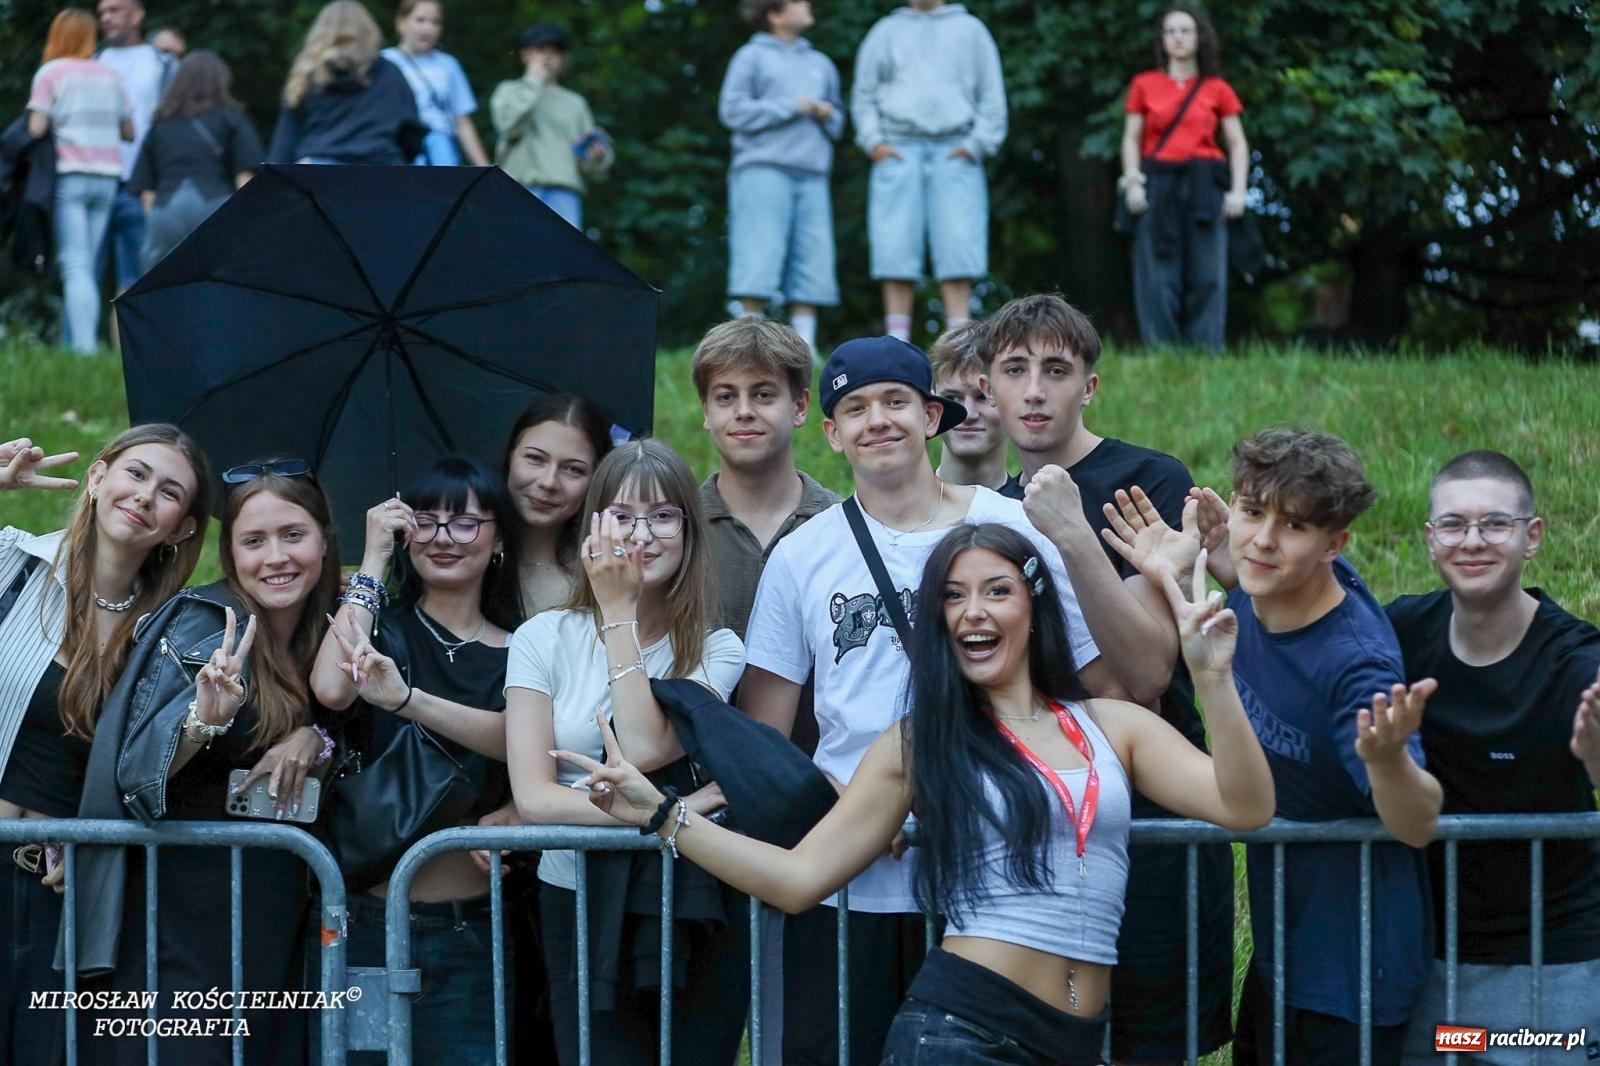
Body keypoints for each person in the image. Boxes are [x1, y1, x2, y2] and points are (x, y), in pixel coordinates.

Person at [559, 524, 1275, 1066]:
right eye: (953, 597)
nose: (973, 612)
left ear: (1034, 606)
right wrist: (663, 815)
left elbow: (1245, 807)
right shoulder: (920, 742)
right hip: (965, 1032)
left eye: (997, 591)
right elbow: (799, 878)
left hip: (1078, 1039)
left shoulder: (1112, 726)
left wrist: (1213, 678)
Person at [738, 335, 1152, 1064]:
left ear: (931, 415)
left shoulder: (1013, 525)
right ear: (831, 432)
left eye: (895, 402)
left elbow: (1090, 683)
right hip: (855, 885)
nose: (877, 421)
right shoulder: (801, 556)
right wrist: (846, 805)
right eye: (855, 409)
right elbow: (764, 736)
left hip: (998, 894)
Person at [1108, 426, 1442, 1065]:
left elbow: (1418, 822)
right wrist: (1191, 567)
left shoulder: (1356, 668)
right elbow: (1250, 569)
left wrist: (1387, 761)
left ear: (1333, 545)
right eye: (1253, 511)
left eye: (1293, 526)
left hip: (1355, 981)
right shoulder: (1265, 592)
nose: (1263, 539)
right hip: (1283, 956)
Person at [983, 292, 1236, 1060]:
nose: (1034, 391)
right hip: (1036, 820)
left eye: (1056, 371)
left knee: (1149, 1044)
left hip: (1153, 820)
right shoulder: (986, 510)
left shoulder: (1146, 480)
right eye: (1015, 370)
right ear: (988, 386)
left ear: (1088, 386)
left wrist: (1071, 535)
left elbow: (1147, 671)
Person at [74, 460, 342, 1065]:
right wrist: (204, 719)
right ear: (231, 554)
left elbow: (354, 732)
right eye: (254, 541)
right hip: (182, 918)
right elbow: (136, 772)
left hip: (278, 915)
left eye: (293, 535)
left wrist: (315, 738)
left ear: (325, 541)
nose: (275, 557)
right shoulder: (203, 623)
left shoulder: (327, 632)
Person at [504, 439, 747, 1065]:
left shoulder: (717, 647)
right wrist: (672, 810)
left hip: (691, 895)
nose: (642, 535)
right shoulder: (541, 638)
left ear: (689, 531)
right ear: (594, 528)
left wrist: (618, 614)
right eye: (623, 516)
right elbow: (535, 799)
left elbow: (642, 745)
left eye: (663, 516)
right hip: (577, 894)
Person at [0, 427, 209, 1066]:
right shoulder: (12, 561)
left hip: (54, 894)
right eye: (136, 474)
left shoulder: (169, 635)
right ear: (97, 478)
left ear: (181, 529)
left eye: (169, 492)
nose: (145, 495)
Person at [1385, 451, 1600, 1064]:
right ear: (1431, 538)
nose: (1473, 541)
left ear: (1532, 536)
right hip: (1430, 961)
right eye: (1453, 524)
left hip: (1552, 966)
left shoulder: (1575, 658)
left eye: (1495, 524)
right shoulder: (1402, 629)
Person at [311, 456, 522, 1065]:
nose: (443, 538)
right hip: (363, 919)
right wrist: (373, 558)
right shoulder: (382, 628)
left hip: (471, 927)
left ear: (499, 538)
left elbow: (526, 742)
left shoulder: (525, 646)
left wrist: (407, 701)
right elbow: (331, 688)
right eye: (425, 522)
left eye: (465, 523)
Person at [851, 0, 1006, 342]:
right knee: (894, 246)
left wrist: (976, 144)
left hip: (956, 148)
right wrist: (874, 142)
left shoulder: (971, 31)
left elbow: (992, 95)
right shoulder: (885, 32)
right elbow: (863, 94)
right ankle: (897, 342)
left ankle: (959, 341)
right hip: (898, 149)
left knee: (958, 245)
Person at [691, 317, 839, 641]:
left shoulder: (843, 527)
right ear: (706, 411)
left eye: (763, 395)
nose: (743, 411)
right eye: (725, 397)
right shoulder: (676, 527)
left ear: (800, 407)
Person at [1118, 4, 1249, 351]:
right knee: (1157, 274)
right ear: (1162, 39)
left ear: (1200, 37)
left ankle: (1206, 352)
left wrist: (1238, 191)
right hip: (1159, 183)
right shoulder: (1144, 84)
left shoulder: (1217, 88)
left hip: (1205, 184)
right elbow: (1131, 138)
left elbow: (1237, 143)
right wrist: (1133, 180)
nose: (1177, 38)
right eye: (1170, 31)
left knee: (1209, 273)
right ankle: (1162, 352)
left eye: (1185, 30)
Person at [718, 0, 843, 355]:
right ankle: (745, 344)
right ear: (774, 14)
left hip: (813, 173)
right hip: (763, 169)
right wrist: (791, 106)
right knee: (759, 253)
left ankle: (805, 346)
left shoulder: (821, 62)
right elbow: (731, 111)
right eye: (797, 2)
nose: (807, 5)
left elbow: (838, 122)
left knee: (813, 257)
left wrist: (826, 114)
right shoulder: (750, 57)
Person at [26, 9, 132, 354]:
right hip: (108, 178)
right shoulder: (111, 75)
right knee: (89, 262)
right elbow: (129, 131)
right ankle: (77, 343)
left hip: (71, 175)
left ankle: (84, 349)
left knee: (75, 264)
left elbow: (35, 129)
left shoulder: (51, 72)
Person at [131, 50, 261, 273]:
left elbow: (147, 192)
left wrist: (156, 224)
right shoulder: (232, 119)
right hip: (215, 206)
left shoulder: (160, 124)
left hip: (166, 209)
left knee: (161, 280)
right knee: (220, 275)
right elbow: (244, 177)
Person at [267, 0, 422, 166]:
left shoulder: (306, 76)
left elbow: (283, 147)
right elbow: (411, 134)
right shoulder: (389, 72)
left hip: (317, 170)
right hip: (379, 168)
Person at [501, 393, 614, 619]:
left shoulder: (605, 574)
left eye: (573, 469)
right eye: (535, 458)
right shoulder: (464, 551)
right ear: (509, 456)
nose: (548, 482)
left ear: (597, 478)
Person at [490, 23, 613, 229]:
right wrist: (533, 82)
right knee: (514, 247)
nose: (547, 57)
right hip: (517, 188)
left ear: (564, 59)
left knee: (562, 250)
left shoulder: (575, 103)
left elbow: (589, 165)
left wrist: (597, 157)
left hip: (564, 193)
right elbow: (508, 127)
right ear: (525, 54)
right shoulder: (508, 90)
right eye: (540, 50)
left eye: (555, 51)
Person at [95, 0, 175, 294]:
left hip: (141, 184)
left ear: (138, 15)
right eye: (102, 12)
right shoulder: (93, 61)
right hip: (95, 177)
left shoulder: (163, 64)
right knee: (83, 271)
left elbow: (175, 124)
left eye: (114, 10)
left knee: (140, 277)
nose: (106, 17)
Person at [381, 0, 489, 167]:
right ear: (401, 23)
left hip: (441, 153)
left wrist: (484, 169)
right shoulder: (383, 62)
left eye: (435, 22)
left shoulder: (448, 65)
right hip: (398, 151)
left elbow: (462, 122)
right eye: (420, 20)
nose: (428, 28)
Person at [927, 322, 1005, 491]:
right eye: (952, 398)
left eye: (983, 397)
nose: (968, 414)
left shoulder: (1037, 505)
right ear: (931, 410)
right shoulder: (898, 505)